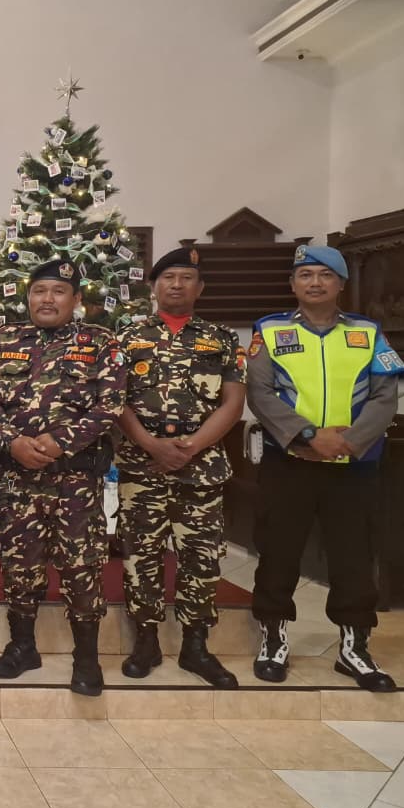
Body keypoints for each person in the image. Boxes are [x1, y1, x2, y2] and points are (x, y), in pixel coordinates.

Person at [248, 244, 404, 692]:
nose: (314, 282)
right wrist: (307, 436)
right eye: (305, 275)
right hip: (290, 461)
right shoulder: (270, 330)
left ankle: (354, 648)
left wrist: (347, 443)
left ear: (341, 283)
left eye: (325, 275)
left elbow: (384, 397)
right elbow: (260, 393)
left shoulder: (368, 333)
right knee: (278, 551)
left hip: (354, 465)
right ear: (292, 284)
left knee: (354, 554)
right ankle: (273, 639)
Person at [0, 259, 124, 697]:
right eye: (39, 291)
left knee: (82, 567)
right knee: (19, 566)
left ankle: (86, 658)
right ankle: (22, 647)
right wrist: (12, 442)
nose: (47, 299)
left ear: (76, 299)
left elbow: (110, 404)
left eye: (58, 291)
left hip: (74, 480)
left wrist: (61, 442)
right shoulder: (3, 340)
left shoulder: (100, 342)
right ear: (28, 297)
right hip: (18, 479)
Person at [114, 247, 244, 688]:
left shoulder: (221, 337)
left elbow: (233, 403)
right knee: (140, 556)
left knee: (201, 558)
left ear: (199, 288)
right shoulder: (127, 336)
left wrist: (189, 448)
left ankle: (196, 646)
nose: (176, 284)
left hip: (201, 467)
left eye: (186, 278)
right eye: (168, 277)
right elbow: (115, 400)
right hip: (141, 467)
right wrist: (152, 445)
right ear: (153, 286)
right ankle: (146, 641)